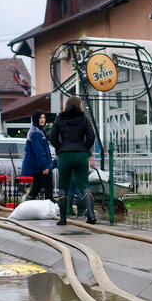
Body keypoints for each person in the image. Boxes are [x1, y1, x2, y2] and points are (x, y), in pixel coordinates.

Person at [48, 95, 96, 225]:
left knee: (63, 186)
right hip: (81, 154)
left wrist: (60, 148)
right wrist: (84, 148)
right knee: (84, 185)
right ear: (78, 105)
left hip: (65, 155)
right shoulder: (84, 118)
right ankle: (91, 215)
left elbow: (52, 137)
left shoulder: (60, 118)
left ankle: (63, 219)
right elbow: (91, 137)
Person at [21, 110, 56, 201]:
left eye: (44, 117)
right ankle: (49, 204)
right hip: (40, 166)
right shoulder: (36, 132)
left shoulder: (38, 130)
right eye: (40, 118)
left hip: (38, 166)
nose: (42, 119)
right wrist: (44, 166)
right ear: (36, 119)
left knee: (37, 186)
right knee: (48, 187)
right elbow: (39, 151)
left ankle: (28, 202)